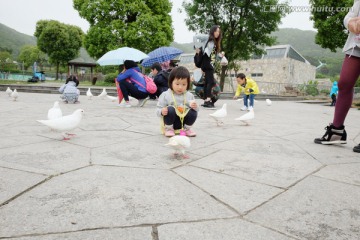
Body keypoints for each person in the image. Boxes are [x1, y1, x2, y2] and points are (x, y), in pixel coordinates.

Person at [314, 0, 360, 153]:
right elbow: (349, 16)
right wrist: (350, 23)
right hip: (356, 44)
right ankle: (336, 131)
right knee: (344, 83)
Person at [156, 66, 199, 137]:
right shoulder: (165, 95)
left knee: (193, 111)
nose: (180, 87)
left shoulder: (189, 95)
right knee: (170, 109)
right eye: (177, 84)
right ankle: (169, 129)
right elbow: (158, 109)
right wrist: (161, 111)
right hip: (171, 121)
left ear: (188, 84)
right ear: (171, 82)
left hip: (183, 122)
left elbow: (197, 110)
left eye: (184, 84)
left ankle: (187, 129)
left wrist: (195, 107)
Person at [194, 25, 222, 108]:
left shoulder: (215, 41)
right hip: (207, 63)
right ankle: (208, 100)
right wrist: (196, 48)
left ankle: (206, 100)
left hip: (209, 63)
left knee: (207, 82)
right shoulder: (207, 37)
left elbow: (213, 55)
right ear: (212, 31)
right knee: (211, 82)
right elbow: (195, 36)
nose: (218, 33)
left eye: (219, 32)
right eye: (216, 31)